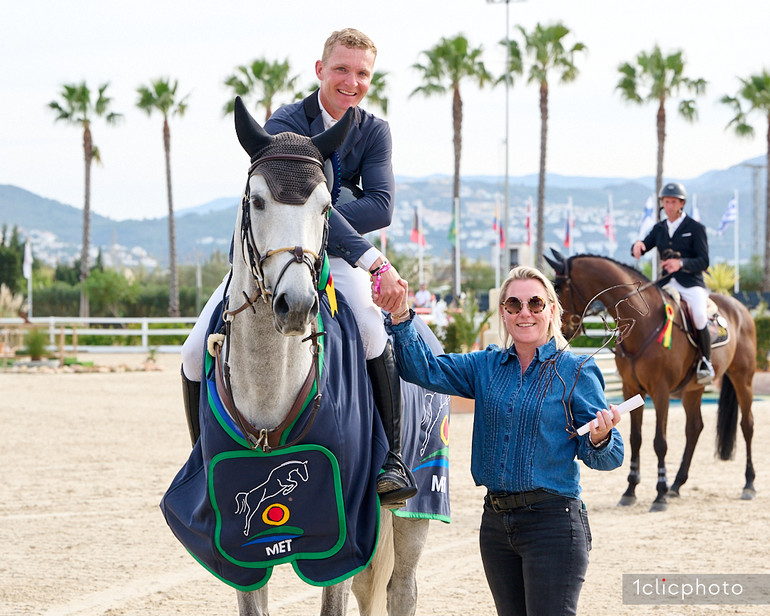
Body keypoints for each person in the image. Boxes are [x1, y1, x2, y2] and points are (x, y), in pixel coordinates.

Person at [180, 28, 416, 506]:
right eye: (341, 70)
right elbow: (332, 203)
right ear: (320, 70)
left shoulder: (374, 130)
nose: (352, 81)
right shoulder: (287, 122)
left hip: (331, 256)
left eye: (362, 73)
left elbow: (384, 207)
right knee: (190, 353)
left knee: (371, 329)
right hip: (265, 256)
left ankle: (392, 457)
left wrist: (314, 215)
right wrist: (341, 228)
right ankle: (203, 460)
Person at [385, 265, 624, 616]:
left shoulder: (576, 370)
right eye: (514, 304)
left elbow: (610, 457)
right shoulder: (486, 366)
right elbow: (424, 369)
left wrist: (601, 438)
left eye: (536, 303)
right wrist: (401, 314)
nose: (524, 312)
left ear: (552, 310)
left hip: (553, 526)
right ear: (504, 312)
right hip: (495, 528)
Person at [631, 181, 714, 384]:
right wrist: (638, 245)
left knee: (700, 315)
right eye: (666, 201)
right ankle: (635, 359)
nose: (669, 205)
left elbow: (704, 260)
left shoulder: (695, 228)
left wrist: (681, 263)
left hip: (691, 283)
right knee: (644, 312)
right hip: (665, 284)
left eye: (673, 202)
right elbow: (645, 245)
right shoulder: (659, 229)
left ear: (681, 203)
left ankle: (706, 361)